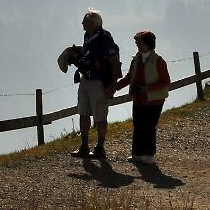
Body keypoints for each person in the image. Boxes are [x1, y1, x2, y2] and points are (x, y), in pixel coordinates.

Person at [110, 30, 170, 165]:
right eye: (137, 43)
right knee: (137, 125)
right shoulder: (136, 59)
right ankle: (136, 154)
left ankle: (149, 156)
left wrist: (148, 88)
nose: (137, 45)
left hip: (154, 100)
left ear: (149, 44)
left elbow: (166, 82)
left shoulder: (159, 61)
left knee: (149, 127)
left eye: (140, 43)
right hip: (138, 98)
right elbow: (129, 77)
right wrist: (115, 88)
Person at [71, 9, 121, 159]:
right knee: (83, 112)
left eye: (85, 22)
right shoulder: (88, 36)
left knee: (100, 115)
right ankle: (84, 146)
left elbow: (115, 63)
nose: (82, 24)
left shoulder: (104, 38)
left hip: (99, 82)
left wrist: (113, 86)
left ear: (93, 24)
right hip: (86, 79)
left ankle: (100, 147)